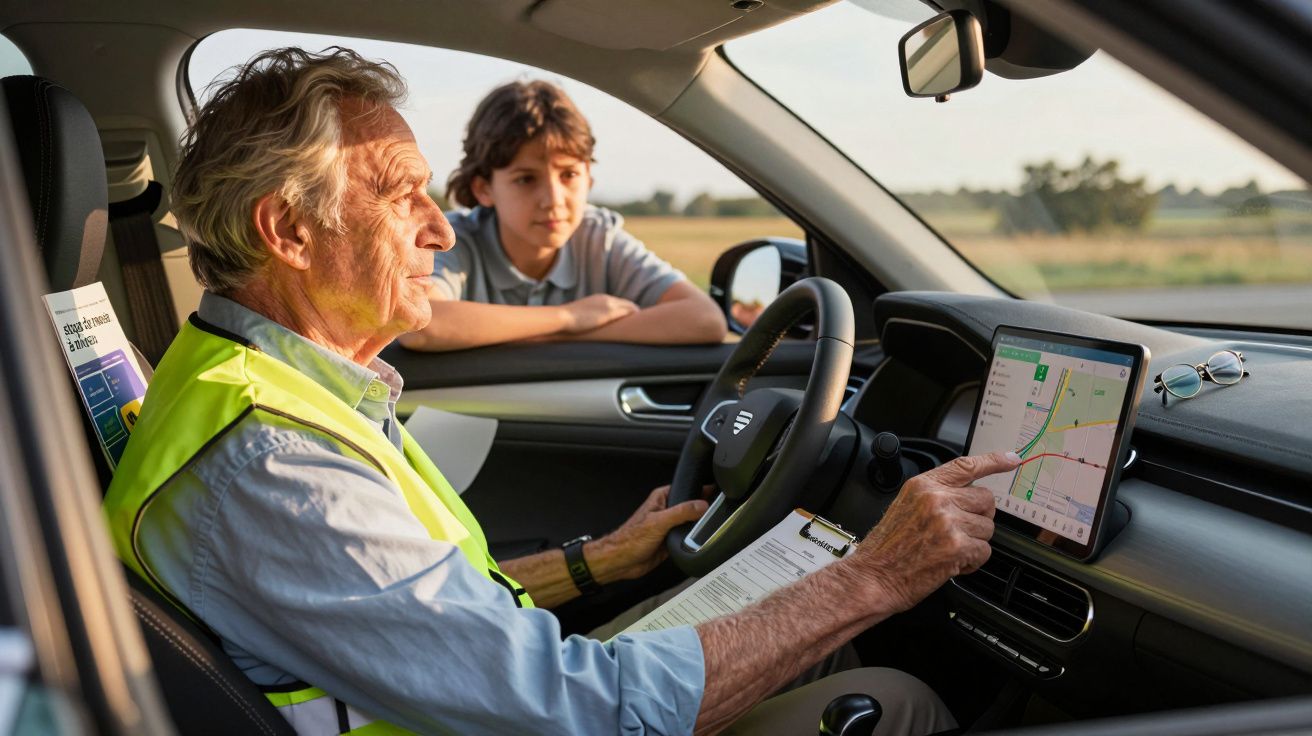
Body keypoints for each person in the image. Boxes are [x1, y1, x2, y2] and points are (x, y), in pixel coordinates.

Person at [103, 47, 1021, 735]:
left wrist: (597, 562)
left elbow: (419, 613)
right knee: (895, 701)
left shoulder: (268, 392)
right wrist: (877, 575)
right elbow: (581, 710)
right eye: (400, 196)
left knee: (824, 647)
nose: (442, 231)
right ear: (289, 231)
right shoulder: (271, 460)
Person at [397, 79, 728, 351]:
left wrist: (562, 336)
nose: (553, 200)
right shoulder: (457, 241)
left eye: (569, 175)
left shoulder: (599, 239)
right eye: (526, 179)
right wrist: (570, 317)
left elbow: (704, 319)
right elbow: (423, 325)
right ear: (484, 189)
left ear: (589, 179)